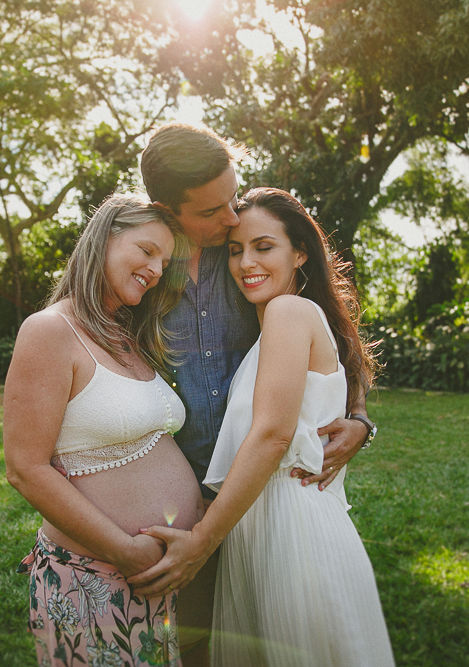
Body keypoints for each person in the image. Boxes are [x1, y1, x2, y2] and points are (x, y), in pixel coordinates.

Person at [137, 123, 378, 666]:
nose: (230, 218)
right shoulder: (141, 269)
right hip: (184, 502)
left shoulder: (256, 253)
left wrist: (359, 418)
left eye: (233, 196)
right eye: (213, 211)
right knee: (204, 647)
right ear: (168, 210)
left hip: (269, 505)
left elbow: (336, 342)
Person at [4, 194, 203, 667]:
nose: (156, 269)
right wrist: (127, 552)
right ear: (105, 238)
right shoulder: (50, 330)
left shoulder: (126, 334)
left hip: (162, 578)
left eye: (165, 261)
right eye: (147, 250)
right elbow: (25, 469)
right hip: (95, 579)